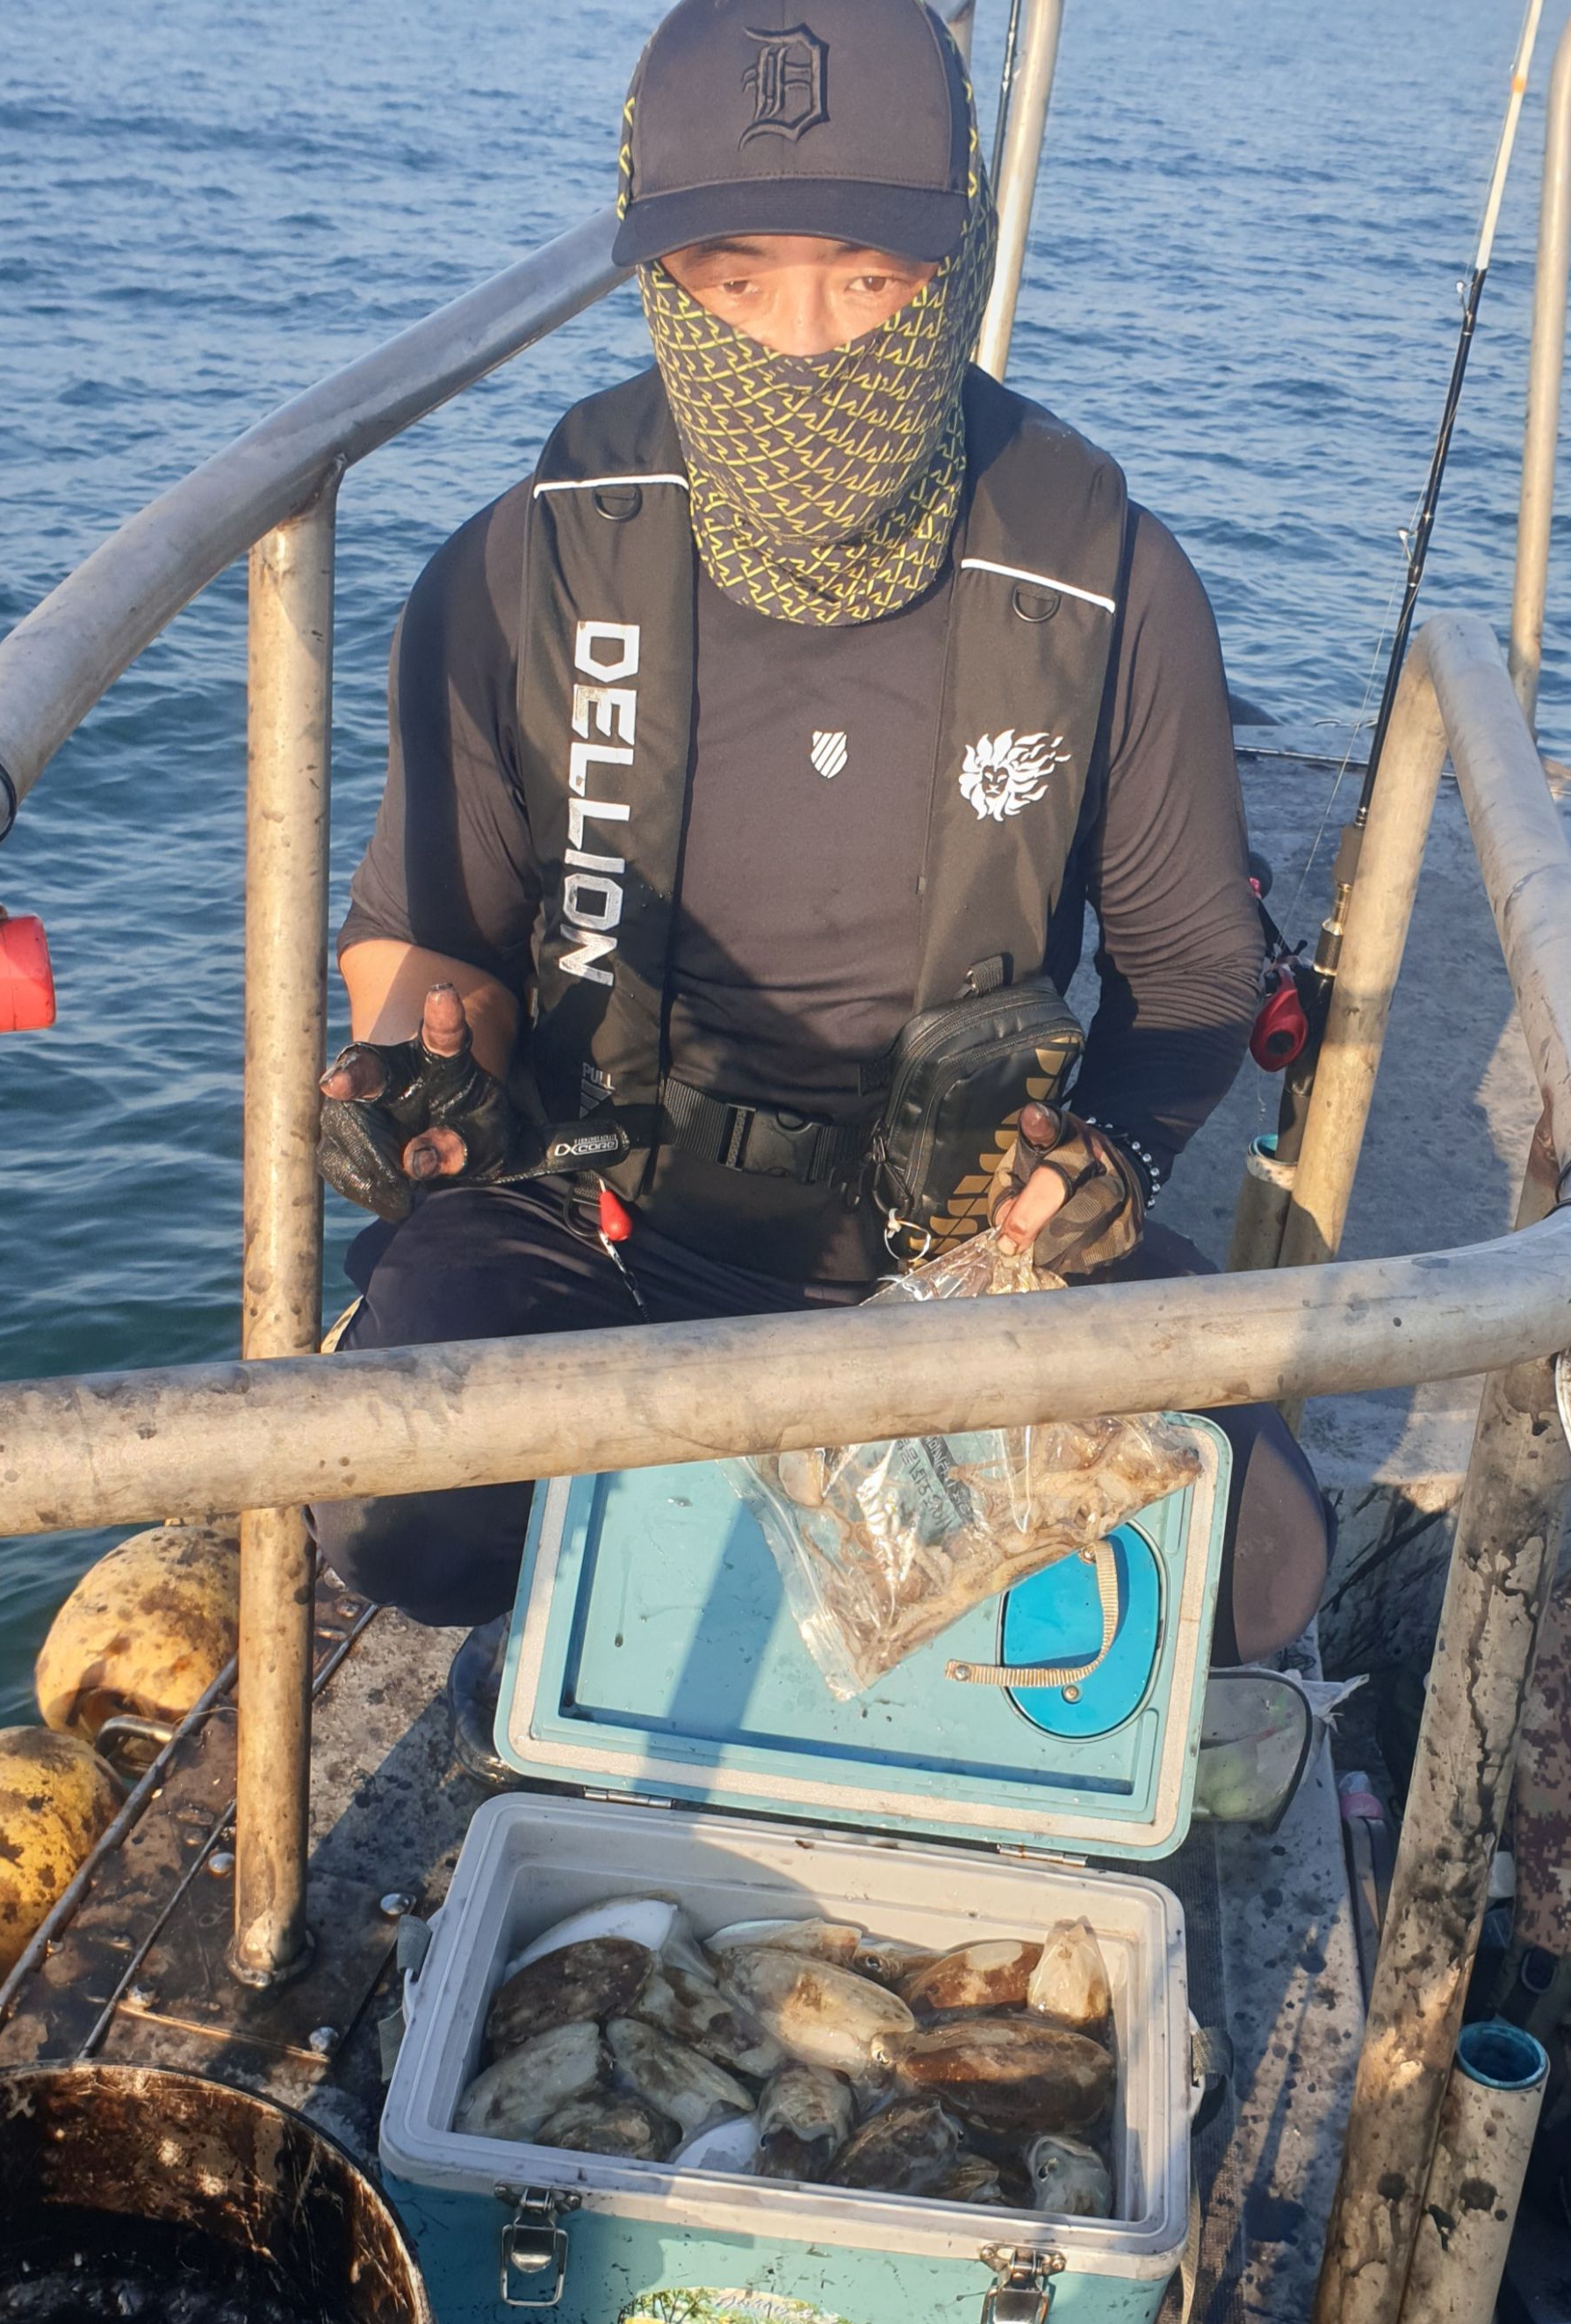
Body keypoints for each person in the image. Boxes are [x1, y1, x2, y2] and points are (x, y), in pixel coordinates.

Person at [313, 0, 1331, 1713]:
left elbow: (1192, 978)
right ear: (661, 276)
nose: (800, 345)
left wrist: (1111, 1169)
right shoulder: (520, 569)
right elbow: (429, 943)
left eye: (868, 280)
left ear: (957, 258)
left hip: (964, 1251)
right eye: (736, 281)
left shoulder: (1105, 575)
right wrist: (419, 1083)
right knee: (391, 1517)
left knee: (1262, 1566)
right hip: (603, 1212)